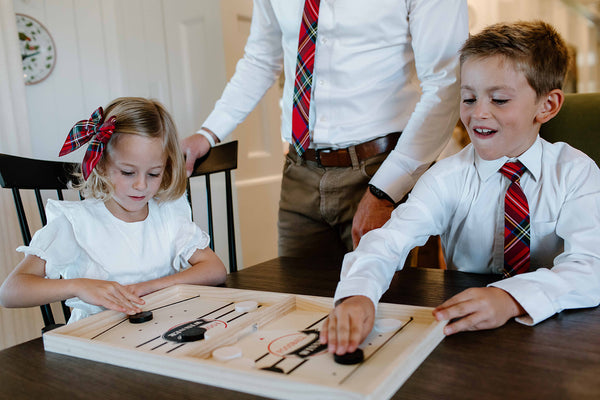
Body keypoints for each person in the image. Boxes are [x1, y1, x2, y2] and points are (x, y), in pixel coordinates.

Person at [320, 20, 600, 355]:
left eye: (498, 99)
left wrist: (511, 297)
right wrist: (358, 293)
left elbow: (591, 265)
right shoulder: (447, 177)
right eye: (468, 99)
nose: (478, 113)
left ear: (547, 106)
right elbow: (387, 241)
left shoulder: (576, 172)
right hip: (467, 335)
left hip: (557, 333)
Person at [181, 0, 469, 259]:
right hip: (299, 171)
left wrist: (387, 190)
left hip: (382, 168)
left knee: (388, 309)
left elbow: (445, 85)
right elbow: (260, 60)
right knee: (299, 304)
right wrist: (209, 132)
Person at [0, 97, 227, 323]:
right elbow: (10, 291)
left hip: (163, 328)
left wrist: (150, 287)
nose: (141, 185)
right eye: (128, 172)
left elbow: (215, 269)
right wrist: (77, 286)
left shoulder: (167, 214)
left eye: (153, 173)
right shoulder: (77, 223)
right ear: (100, 164)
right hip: (96, 340)